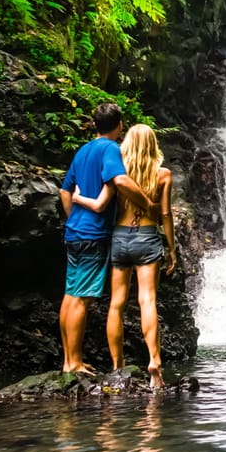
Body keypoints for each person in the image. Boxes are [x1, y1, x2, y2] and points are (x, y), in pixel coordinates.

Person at [72, 124, 177, 388]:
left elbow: (102, 202)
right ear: (153, 145)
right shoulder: (163, 175)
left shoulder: (119, 173)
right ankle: (154, 362)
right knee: (147, 300)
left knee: (116, 304)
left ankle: (117, 366)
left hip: (119, 237)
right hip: (147, 236)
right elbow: (165, 214)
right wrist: (172, 248)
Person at [58, 103, 157, 375]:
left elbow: (64, 192)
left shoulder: (83, 150)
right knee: (82, 299)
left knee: (70, 295)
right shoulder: (110, 149)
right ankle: (75, 363)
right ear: (119, 125)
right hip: (94, 234)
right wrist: (148, 203)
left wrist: (73, 219)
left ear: (93, 125)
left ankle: (68, 360)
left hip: (75, 233)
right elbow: (122, 181)